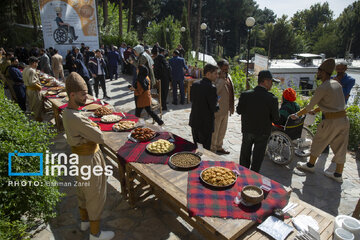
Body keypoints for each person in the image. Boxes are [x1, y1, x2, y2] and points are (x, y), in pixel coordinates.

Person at [62, 72, 115, 240]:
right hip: (90, 159)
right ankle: (95, 233)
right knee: (95, 194)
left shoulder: (68, 111)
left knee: (83, 190)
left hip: (78, 158)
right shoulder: (76, 117)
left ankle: (85, 221)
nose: (87, 97)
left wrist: (88, 127)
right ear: (72, 94)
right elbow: (99, 137)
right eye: (83, 94)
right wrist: (92, 126)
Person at [292, 59, 350, 183]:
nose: (317, 74)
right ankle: (338, 174)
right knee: (341, 147)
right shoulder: (337, 84)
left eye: (318, 72)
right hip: (344, 120)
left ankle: (310, 165)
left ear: (323, 73)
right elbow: (333, 103)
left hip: (331, 121)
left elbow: (309, 107)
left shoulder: (323, 87)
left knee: (319, 140)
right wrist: (317, 111)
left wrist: (297, 115)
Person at [236, 70, 280, 173]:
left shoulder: (245, 95)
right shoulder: (272, 98)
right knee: (258, 157)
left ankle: (242, 173)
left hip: (247, 129)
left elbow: (239, 111)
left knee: (245, 154)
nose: (272, 84)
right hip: (263, 132)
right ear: (265, 81)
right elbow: (276, 118)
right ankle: (253, 177)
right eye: (271, 81)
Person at [189, 64, 219, 150]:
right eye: (215, 73)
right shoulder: (211, 87)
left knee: (197, 146)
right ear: (208, 74)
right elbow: (214, 107)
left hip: (195, 120)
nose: (217, 76)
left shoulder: (195, 84)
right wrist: (217, 103)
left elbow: (192, 99)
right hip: (205, 124)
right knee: (205, 149)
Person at [211, 59, 234, 154]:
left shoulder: (228, 77)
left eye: (227, 69)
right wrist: (221, 80)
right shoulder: (215, 78)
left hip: (226, 109)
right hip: (218, 109)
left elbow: (231, 91)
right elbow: (215, 92)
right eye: (224, 69)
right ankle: (212, 148)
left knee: (222, 130)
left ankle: (219, 146)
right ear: (219, 68)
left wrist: (231, 106)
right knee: (215, 131)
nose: (226, 71)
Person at [23, 56, 43, 121]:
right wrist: (40, 87)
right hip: (34, 90)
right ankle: (37, 120)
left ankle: (34, 117)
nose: (37, 65)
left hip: (28, 89)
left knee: (32, 104)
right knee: (37, 106)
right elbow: (32, 83)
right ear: (34, 63)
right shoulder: (32, 70)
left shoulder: (26, 68)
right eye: (37, 63)